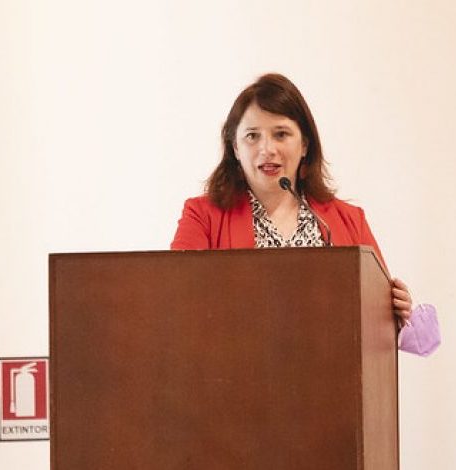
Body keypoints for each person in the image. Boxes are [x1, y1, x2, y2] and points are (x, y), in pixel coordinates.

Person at [170, 73, 413, 326]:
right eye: (252, 136)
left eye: (281, 134)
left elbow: (376, 316)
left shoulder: (350, 220)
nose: (267, 149)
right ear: (235, 148)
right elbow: (178, 299)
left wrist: (396, 309)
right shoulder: (202, 216)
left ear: (305, 145)